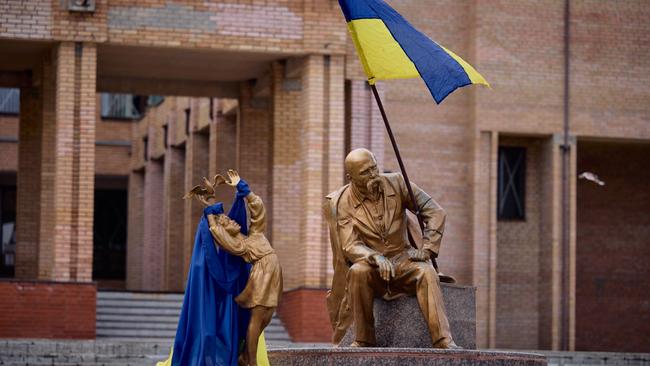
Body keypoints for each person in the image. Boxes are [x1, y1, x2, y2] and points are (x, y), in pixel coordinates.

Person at [324, 148, 457, 348]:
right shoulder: (342, 202)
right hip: (373, 268)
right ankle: (363, 339)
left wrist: (427, 249)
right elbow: (350, 244)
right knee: (358, 272)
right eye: (365, 172)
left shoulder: (397, 182)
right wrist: (374, 257)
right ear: (351, 177)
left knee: (427, 272)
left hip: (403, 261)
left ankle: (443, 340)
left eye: (374, 168)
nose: (373, 175)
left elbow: (435, 212)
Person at [208, 170, 282, 366]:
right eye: (226, 222)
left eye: (229, 218)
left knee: (266, 317)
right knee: (257, 318)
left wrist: (244, 189)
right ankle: (250, 360)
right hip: (261, 275)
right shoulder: (239, 246)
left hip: (273, 274)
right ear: (226, 230)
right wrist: (212, 219)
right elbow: (219, 236)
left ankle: (246, 356)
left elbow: (259, 210)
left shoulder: (254, 234)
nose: (231, 220)